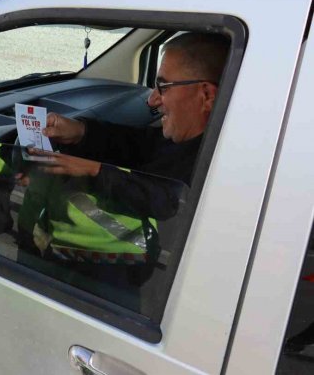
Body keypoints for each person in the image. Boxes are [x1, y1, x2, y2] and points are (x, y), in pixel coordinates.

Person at [18, 32, 230, 265]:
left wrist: (93, 173)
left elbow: (169, 204)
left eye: (163, 86)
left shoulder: (218, 166)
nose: (152, 100)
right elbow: (140, 143)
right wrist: (80, 132)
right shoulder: (194, 140)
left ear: (207, 95)